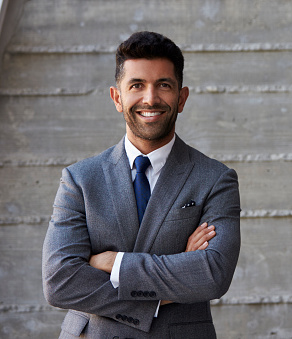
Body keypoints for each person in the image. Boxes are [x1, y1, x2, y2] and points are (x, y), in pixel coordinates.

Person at [42, 31, 241, 338]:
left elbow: (212, 275)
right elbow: (60, 282)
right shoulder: (79, 179)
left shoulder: (215, 179)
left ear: (182, 97)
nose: (150, 98)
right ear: (117, 98)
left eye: (164, 85)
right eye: (137, 85)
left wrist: (113, 263)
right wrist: (173, 276)